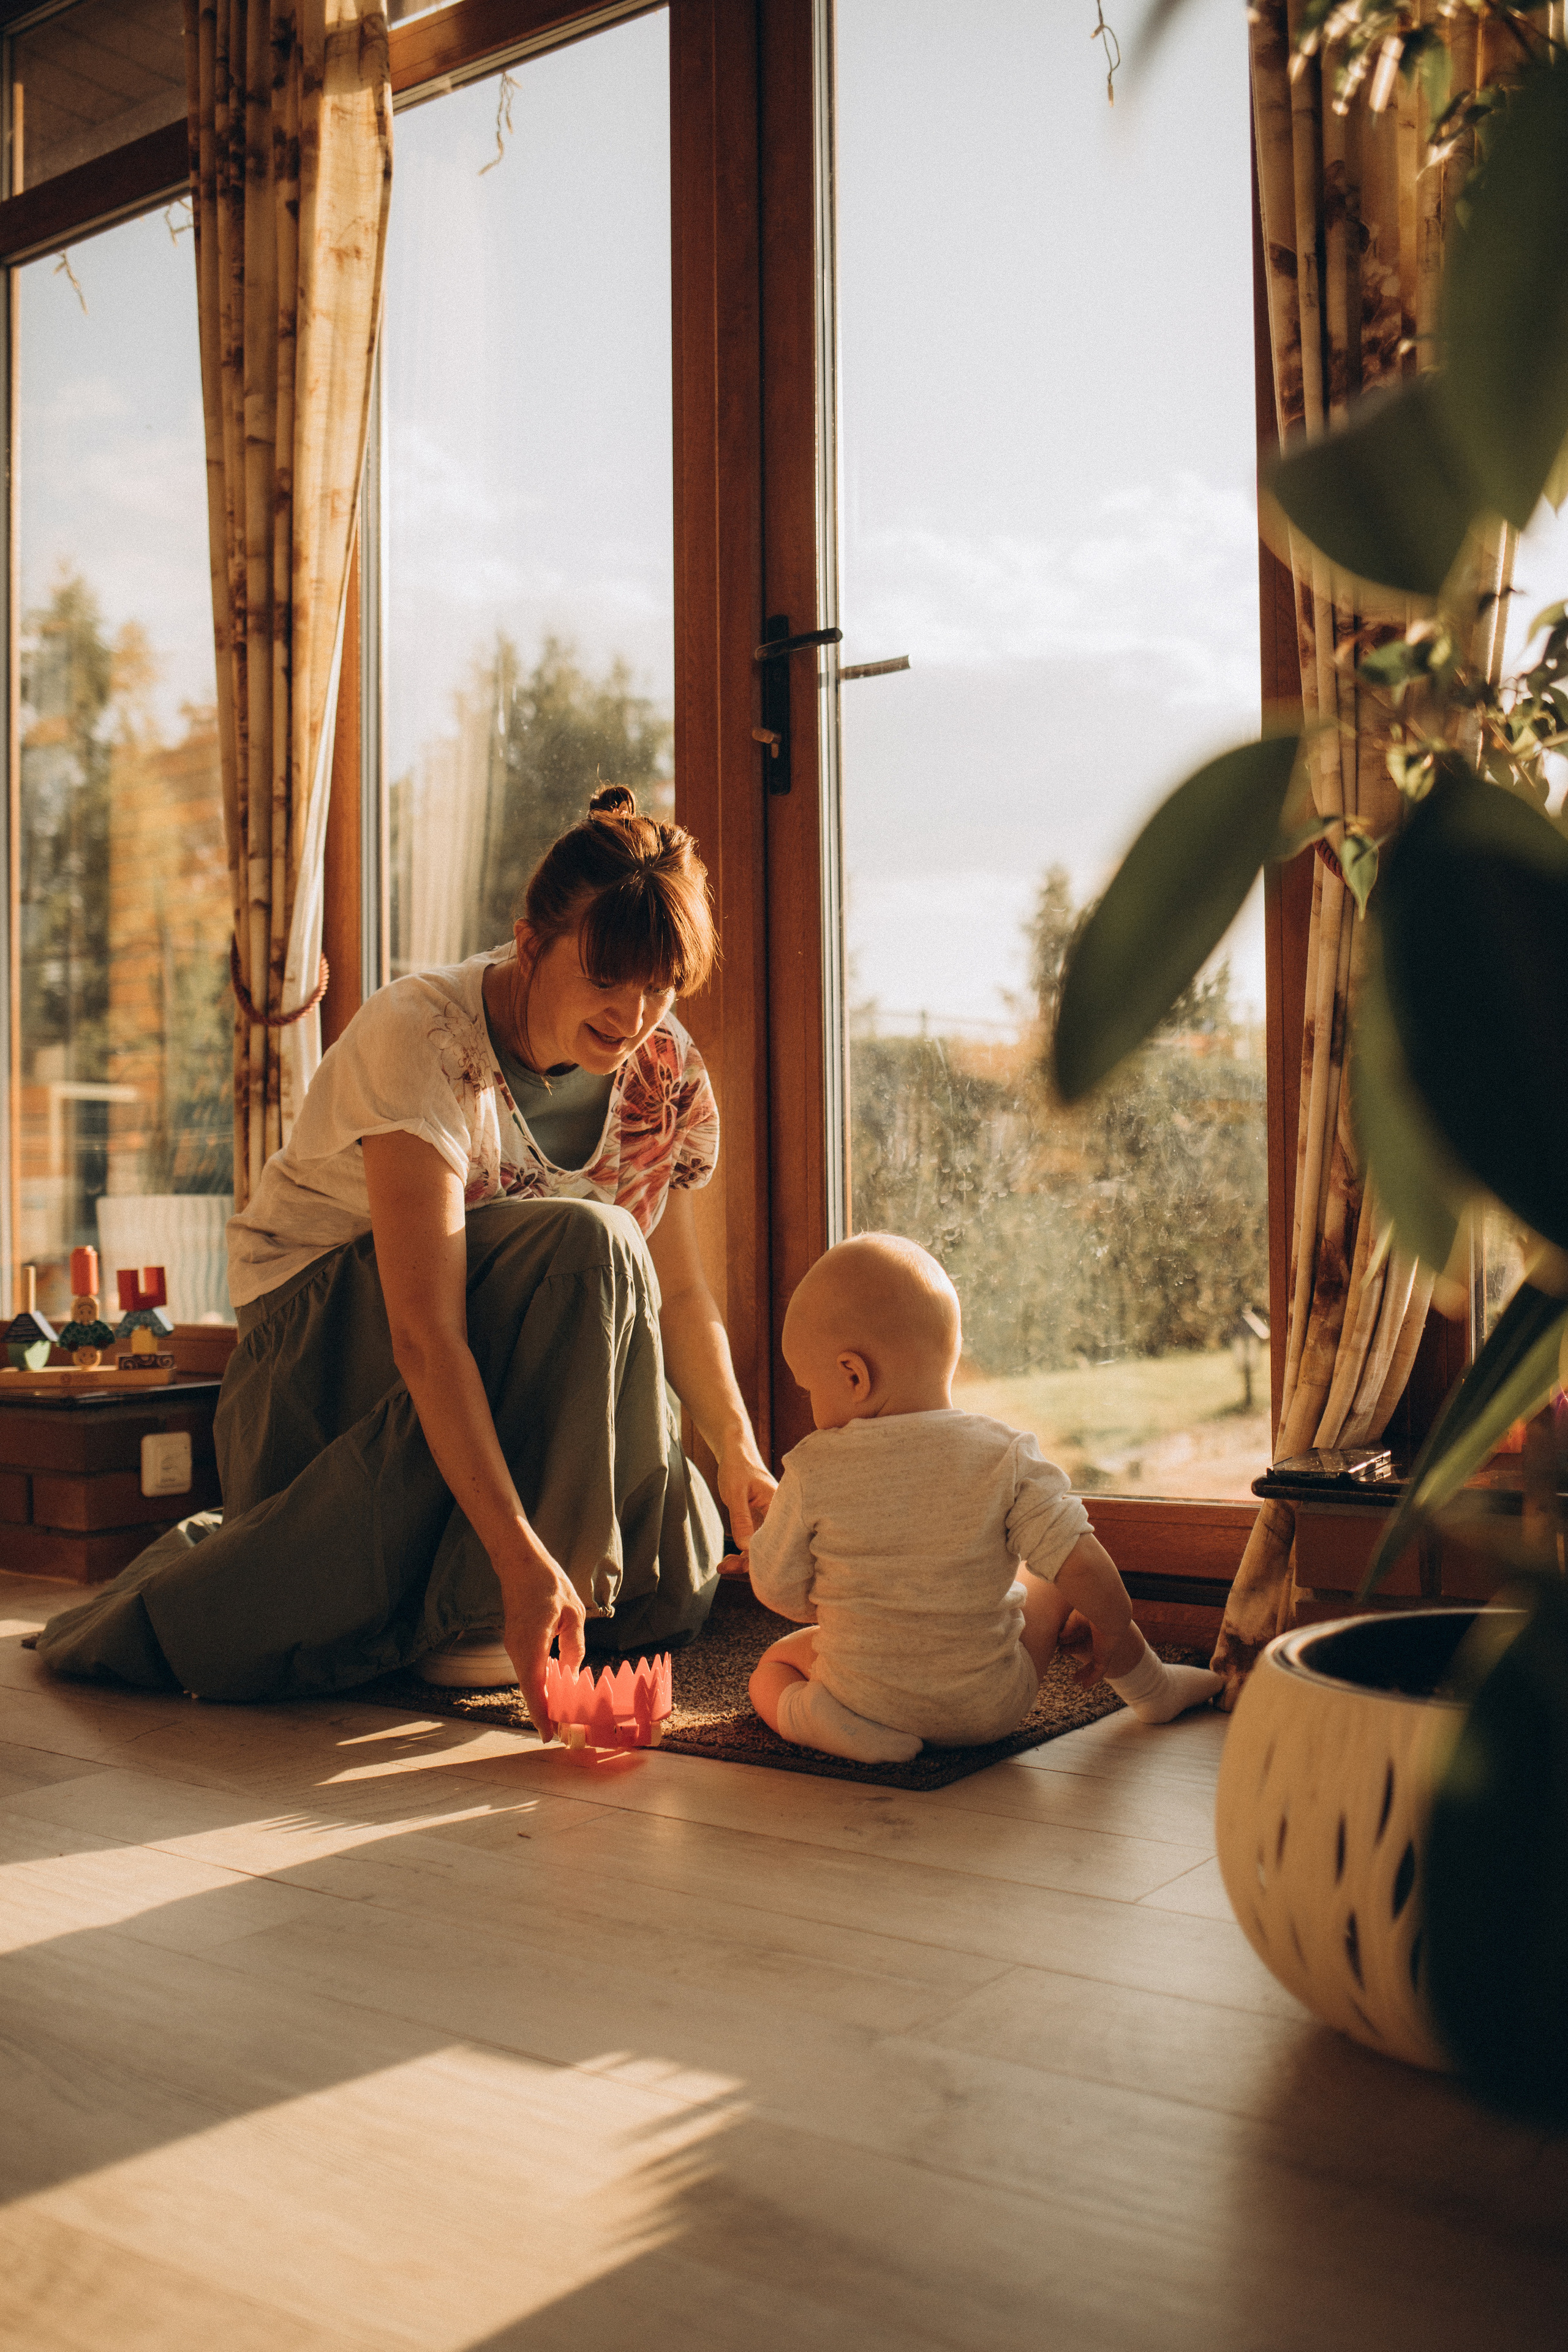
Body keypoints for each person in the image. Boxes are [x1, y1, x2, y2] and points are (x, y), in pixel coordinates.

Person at [37, 786, 775, 1739]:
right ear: (530, 943)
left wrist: (739, 1454)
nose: (634, 1014)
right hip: (322, 1356)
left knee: (675, 1589)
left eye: (662, 986)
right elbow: (426, 1333)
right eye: (607, 977)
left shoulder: (661, 1067)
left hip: (495, 1349)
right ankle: (479, 1596)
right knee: (590, 1241)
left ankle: (533, 1582)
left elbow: (677, 1291)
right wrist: (514, 1558)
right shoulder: (425, 1035)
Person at [746, 1234, 1223, 1763]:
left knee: (775, 1666)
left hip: (860, 1697)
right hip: (989, 1710)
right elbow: (1083, 1560)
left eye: (809, 1389)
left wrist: (799, 1562)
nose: (811, 1406)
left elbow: (779, 1591)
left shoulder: (813, 1466)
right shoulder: (1005, 1453)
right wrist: (1109, 1625)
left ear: (853, 1375)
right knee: (1055, 1573)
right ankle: (1154, 1690)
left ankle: (823, 1721)